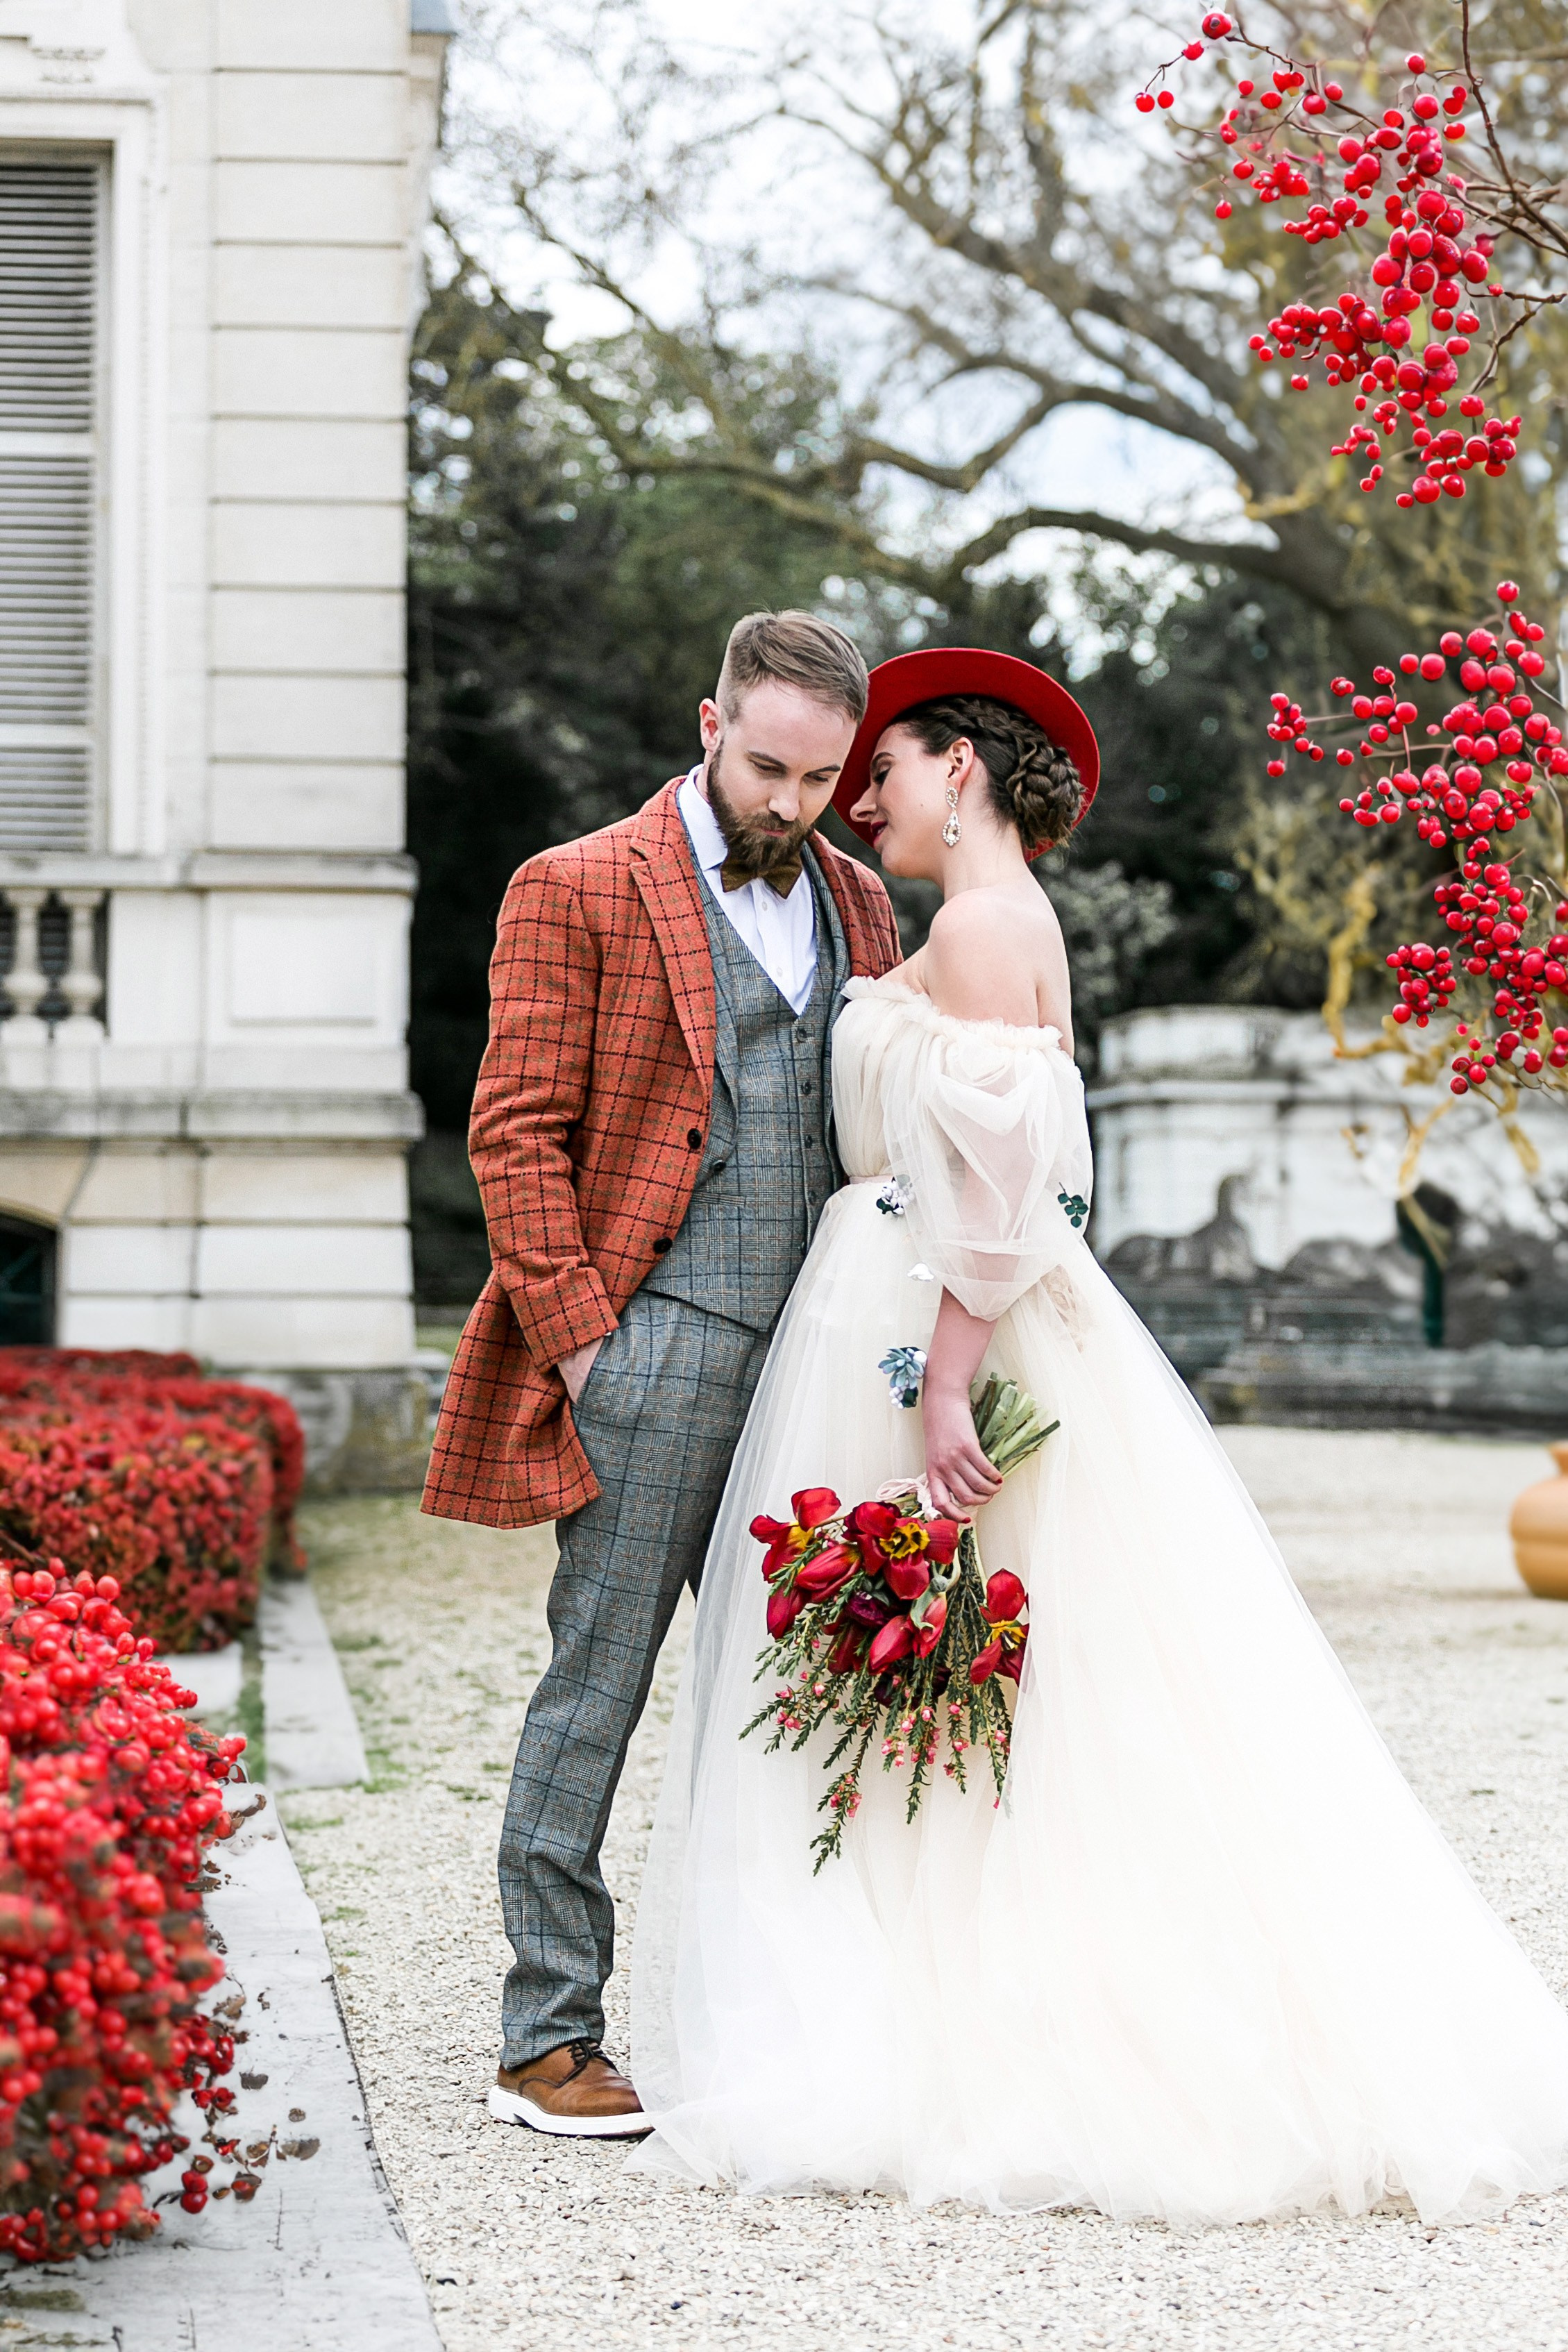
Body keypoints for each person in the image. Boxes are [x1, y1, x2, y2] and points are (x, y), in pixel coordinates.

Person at [627, 646, 1568, 2224]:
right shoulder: (978, 923)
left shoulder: (985, 926)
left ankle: (975, 2020)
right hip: (918, 1295)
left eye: (891, 766)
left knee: (969, 1683)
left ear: (965, 772)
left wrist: (940, 1384)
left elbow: (1003, 1184)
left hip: (936, 1315)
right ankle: (919, 1982)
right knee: (985, 1691)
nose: (864, 798)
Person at [421, 611, 902, 2137]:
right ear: (708, 726)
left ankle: (795, 2026)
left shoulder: (863, 903)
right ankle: (543, 2035)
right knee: (598, 1689)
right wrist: (584, 1343)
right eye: (766, 765)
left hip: (821, 1356)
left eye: (819, 776)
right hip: (653, 1340)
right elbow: (511, 1129)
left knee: (805, 1702)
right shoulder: (573, 885)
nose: (790, 801)